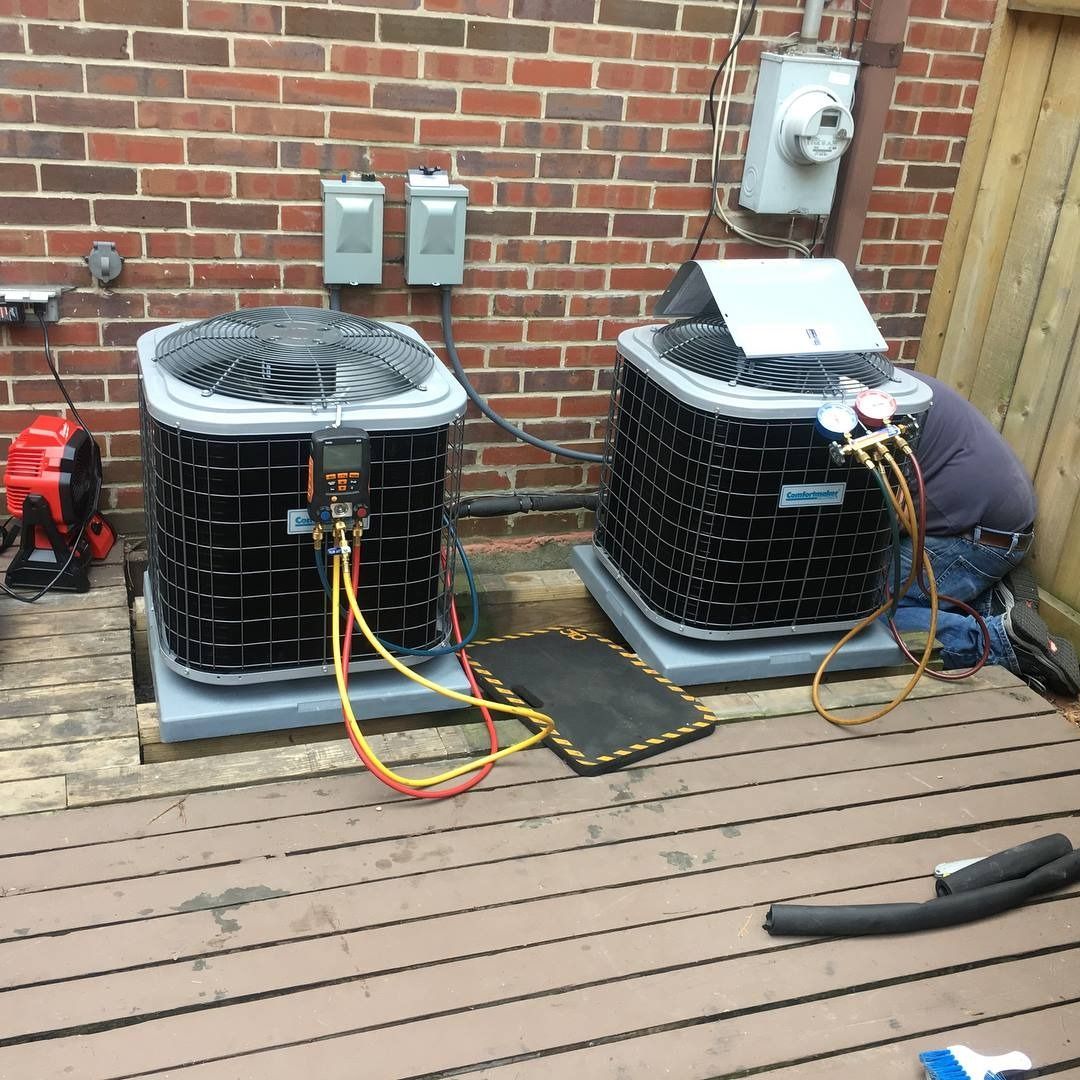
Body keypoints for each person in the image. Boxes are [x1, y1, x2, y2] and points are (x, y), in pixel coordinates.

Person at [889, 372, 1079, 698]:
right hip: (998, 523)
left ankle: (1000, 642)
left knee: (862, 611)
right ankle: (988, 601)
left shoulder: (861, 414)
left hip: (976, 538)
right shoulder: (891, 382)